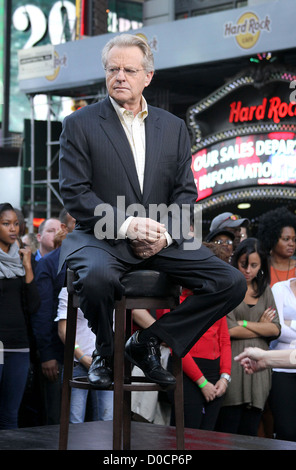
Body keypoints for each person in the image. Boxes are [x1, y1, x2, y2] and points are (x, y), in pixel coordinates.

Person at [58, 33, 246, 390]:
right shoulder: (79, 124)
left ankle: (148, 342)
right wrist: (129, 227)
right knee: (96, 278)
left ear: (148, 76)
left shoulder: (173, 127)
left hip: (162, 238)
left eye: (130, 69)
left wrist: (163, 234)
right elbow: (75, 193)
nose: (120, 76)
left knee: (231, 282)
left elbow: (185, 192)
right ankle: (103, 348)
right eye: (113, 69)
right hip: (101, 236)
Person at [215, 238, 281, 437]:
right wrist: (261, 325)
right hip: (233, 364)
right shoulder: (228, 288)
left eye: (254, 265)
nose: (248, 270)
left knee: (251, 428)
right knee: (229, 426)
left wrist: (242, 323)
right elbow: (229, 330)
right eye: (244, 264)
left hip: (259, 369)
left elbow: (276, 329)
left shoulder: (265, 290)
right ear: (236, 261)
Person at [30, 209, 75, 425]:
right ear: (66, 228)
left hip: (93, 354)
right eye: (77, 220)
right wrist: (47, 354)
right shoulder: (49, 264)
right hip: (58, 354)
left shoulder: (98, 259)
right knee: (57, 419)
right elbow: (42, 312)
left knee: (96, 420)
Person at [0, 203, 40, 429]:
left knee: (10, 415)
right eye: (6, 224)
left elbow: (34, 306)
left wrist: (27, 268)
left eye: (16, 223)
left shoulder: (25, 258)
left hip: (19, 345)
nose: (12, 229)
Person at [56, 287, 114, 423]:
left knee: (107, 418)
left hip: (105, 361)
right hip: (78, 361)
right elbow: (63, 330)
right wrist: (81, 356)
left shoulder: (112, 289)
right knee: (74, 419)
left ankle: (101, 445)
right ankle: (74, 445)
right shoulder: (69, 290)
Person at [267, 278, 296, 441]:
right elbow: (278, 330)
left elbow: (285, 328)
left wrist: (289, 322)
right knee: (286, 430)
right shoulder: (280, 288)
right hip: (280, 369)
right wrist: (281, 325)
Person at [257, 207, 296, 287]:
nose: (291, 243)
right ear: (272, 239)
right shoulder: (261, 267)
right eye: (286, 239)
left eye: (294, 239)